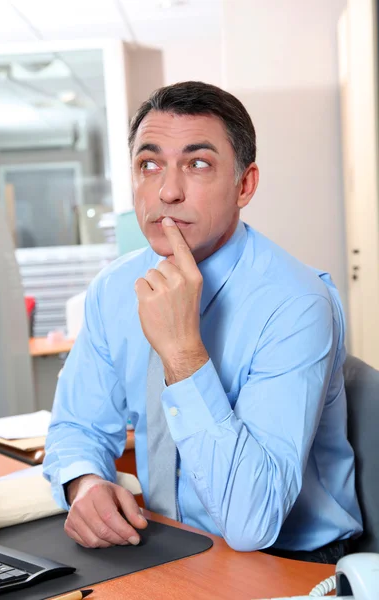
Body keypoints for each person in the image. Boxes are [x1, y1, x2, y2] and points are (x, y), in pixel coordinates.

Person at [44, 81, 362, 563]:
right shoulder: (113, 289)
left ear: (245, 185)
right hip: (168, 542)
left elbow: (252, 523)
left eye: (198, 164)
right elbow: (77, 424)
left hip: (288, 562)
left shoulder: (297, 304)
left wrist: (182, 352)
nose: (167, 191)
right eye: (149, 165)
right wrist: (84, 483)